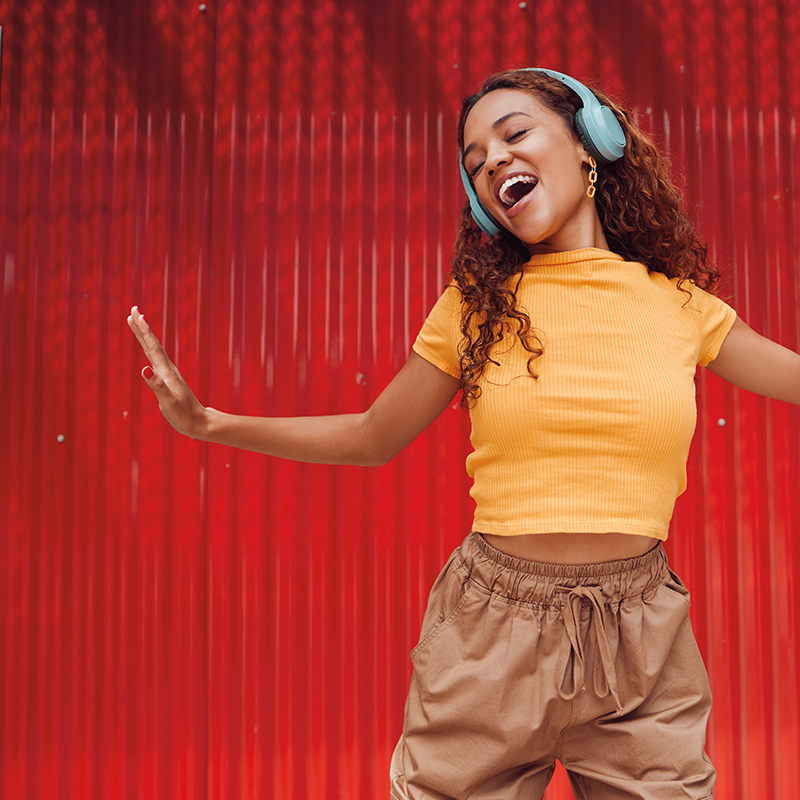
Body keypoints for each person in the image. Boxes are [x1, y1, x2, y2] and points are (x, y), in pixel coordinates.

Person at [128, 68, 800, 799]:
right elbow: (371, 434)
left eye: (514, 134)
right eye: (476, 162)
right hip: (491, 635)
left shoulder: (681, 308)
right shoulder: (475, 311)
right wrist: (206, 423)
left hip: (640, 639)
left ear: (589, 147)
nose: (495, 162)